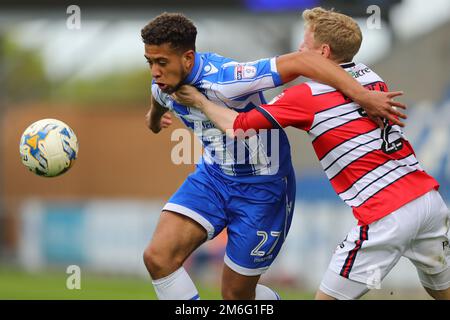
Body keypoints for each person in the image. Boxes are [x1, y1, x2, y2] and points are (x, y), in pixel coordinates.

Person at [172, 7, 450, 300]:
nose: (299, 51)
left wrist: (200, 102)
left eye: (305, 45)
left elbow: (238, 125)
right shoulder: (369, 77)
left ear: (323, 52)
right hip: (429, 202)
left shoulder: (307, 95)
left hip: (387, 214)